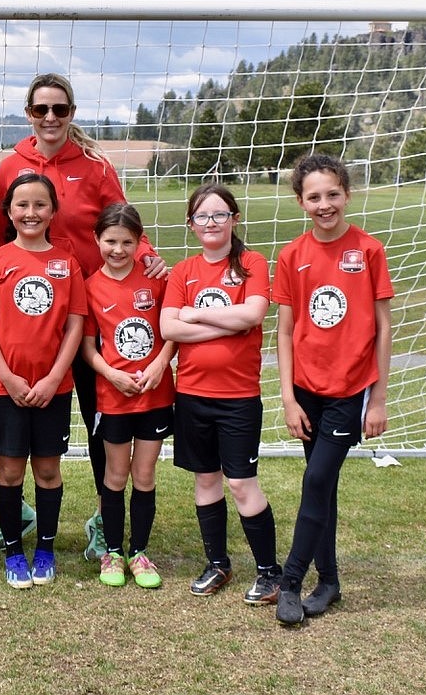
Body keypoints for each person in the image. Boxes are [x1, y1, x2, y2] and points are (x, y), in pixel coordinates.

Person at [0, 72, 165, 558]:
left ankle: (103, 521)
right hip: (33, 320)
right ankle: (20, 512)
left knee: (98, 424)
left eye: (60, 110)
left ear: (71, 113)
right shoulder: (10, 167)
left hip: (93, 317)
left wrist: (147, 254)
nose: (50, 118)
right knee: (15, 426)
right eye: (41, 109)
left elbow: (123, 220)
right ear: (28, 113)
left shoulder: (94, 165)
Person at [273, 155, 394, 626]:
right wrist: (287, 398)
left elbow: (384, 330)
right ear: (301, 202)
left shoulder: (368, 250)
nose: (325, 205)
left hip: (349, 389)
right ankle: (330, 581)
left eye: (332, 194)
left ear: (347, 194)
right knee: (322, 488)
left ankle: (290, 582)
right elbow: (284, 332)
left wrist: (378, 398)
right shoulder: (291, 255)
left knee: (317, 481)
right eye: (314, 197)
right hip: (306, 390)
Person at [160, 183, 283, 606]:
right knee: (206, 480)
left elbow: (253, 313)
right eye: (201, 217)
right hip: (191, 395)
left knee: (241, 483)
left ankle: (270, 572)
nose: (210, 223)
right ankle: (218, 563)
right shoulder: (182, 271)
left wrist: (197, 313)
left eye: (219, 215)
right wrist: (228, 323)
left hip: (238, 398)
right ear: (191, 225)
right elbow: (169, 328)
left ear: (234, 219)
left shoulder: (251, 262)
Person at [0, 173, 86, 589]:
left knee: (48, 471)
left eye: (40, 205)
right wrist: (9, 378)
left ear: (53, 212)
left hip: (54, 389)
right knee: (9, 472)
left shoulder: (67, 262)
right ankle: (14, 553)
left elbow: (75, 326)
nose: (31, 213)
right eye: (22, 205)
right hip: (7, 389)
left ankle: (46, 549)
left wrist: (55, 376)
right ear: (8, 211)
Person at [81, 203, 175, 589]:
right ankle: (113, 553)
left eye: (126, 242)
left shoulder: (157, 281)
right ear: (97, 240)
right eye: (110, 241)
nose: (118, 250)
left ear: (139, 243)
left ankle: (139, 552)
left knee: (145, 474)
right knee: (116, 475)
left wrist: (159, 365)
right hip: (114, 396)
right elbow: (87, 348)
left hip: (155, 394)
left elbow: (171, 332)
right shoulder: (89, 286)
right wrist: (111, 374)